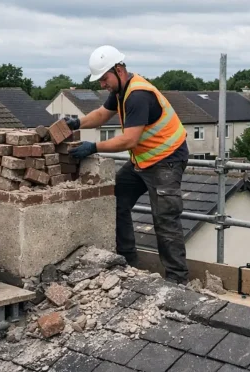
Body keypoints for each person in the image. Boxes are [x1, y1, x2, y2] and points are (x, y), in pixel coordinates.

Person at [65, 45, 190, 284]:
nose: (102, 84)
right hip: (143, 160)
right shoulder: (121, 90)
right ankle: (127, 261)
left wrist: (93, 147)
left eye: (104, 78)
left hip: (167, 161)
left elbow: (129, 139)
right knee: (117, 199)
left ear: (119, 70)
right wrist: (75, 123)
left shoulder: (138, 95)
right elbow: (102, 114)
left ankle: (178, 280)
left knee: (165, 219)